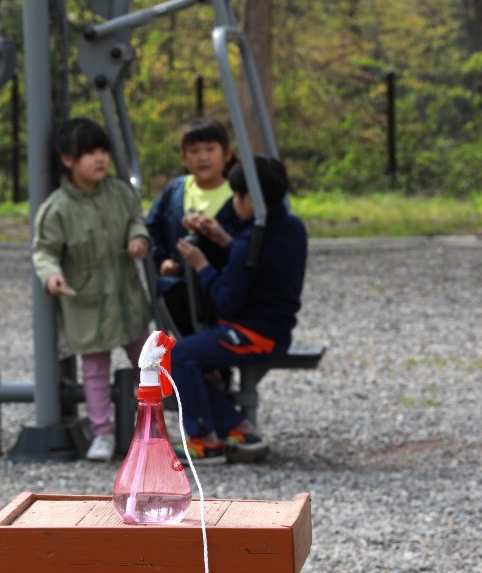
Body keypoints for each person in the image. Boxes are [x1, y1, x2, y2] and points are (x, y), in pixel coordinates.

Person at [169, 157, 307, 465]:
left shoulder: (249, 243)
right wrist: (224, 240)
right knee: (191, 357)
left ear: (249, 199)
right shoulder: (292, 228)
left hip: (250, 334)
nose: (234, 202)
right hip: (277, 331)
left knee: (178, 355)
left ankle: (203, 439)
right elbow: (260, 265)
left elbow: (226, 301)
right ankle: (236, 428)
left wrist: (201, 265)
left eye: (236, 195)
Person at [32, 118, 152, 462]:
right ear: (68, 160)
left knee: (149, 362)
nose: (100, 159)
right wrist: (51, 275)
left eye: (103, 151)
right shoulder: (57, 208)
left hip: (125, 295)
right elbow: (44, 250)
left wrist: (138, 237)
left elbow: (135, 219)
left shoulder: (120, 192)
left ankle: (158, 426)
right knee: (94, 369)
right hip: (86, 301)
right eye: (90, 153)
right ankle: (102, 432)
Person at [145, 116, 242, 337]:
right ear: (184, 157)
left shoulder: (237, 194)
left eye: (210, 149)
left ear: (226, 154)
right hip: (180, 286)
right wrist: (162, 261)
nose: (203, 157)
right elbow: (153, 228)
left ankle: (216, 371)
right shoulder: (175, 190)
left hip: (221, 286)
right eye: (194, 151)